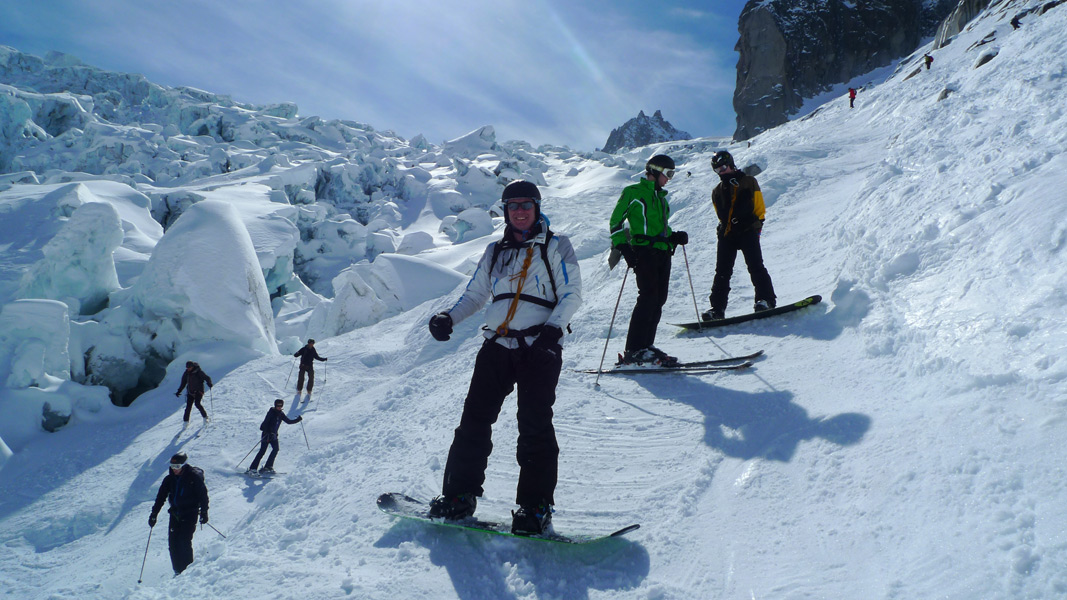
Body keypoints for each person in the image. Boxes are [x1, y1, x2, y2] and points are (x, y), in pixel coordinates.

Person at [425, 179, 582, 535]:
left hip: (538, 346)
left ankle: (535, 507)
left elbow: (572, 293)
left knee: (535, 424)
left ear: (537, 208)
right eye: (513, 206)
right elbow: (476, 294)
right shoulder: (495, 252)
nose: (520, 211)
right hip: (496, 344)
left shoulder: (557, 246)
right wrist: (449, 317)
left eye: (526, 204)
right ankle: (458, 496)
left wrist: (553, 332)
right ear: (506, 212)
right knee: (473, 421)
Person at [608, 154, 688, 366]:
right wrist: (624, 247)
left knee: (659, 299)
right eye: (668, 174)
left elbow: (661, 227)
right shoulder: (633, 192)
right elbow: (616, 222)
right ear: (654, 171)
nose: (669, 179)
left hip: (662, 252)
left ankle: (646, 345)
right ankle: (634, 350)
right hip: (644, 252)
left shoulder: (661, 198)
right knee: (648, 298)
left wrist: (673, 236)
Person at [703, 150, 776, 321]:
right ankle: (717, 309)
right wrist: (723, 230)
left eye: (723, 167)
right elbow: (720, 214)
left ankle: (766, 300)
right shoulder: (717, 191)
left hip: (748, 230)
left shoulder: (748, 181)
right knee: (722, 272)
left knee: (755, 266)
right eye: (718, 170)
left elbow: (759, 208)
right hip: (727, 235)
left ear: (731, 164)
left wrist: (756, 226)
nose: (722, 172)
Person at [148, 452, 209, 575]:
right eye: (172, 466)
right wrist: (154, 514)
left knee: (184, 541)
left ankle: (188, 572)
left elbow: (203, 495)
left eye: (177, 467)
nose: (174, 469)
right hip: (175, 514)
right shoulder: (169, 479)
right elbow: (161, 497)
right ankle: (177, 570)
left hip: (190, 513)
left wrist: (204, 512)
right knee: (173, 543)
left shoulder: (193, 477)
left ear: (184, 465)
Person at [246, 398, 302, 475]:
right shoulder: (271, 412)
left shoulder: (281, 413)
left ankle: (268, 466)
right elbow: (264, 424)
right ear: (275, 405)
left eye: (281, 405)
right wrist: (268, 432)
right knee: (262, 451)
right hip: (267, 435)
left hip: (274, 436)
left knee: (276, 449)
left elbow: (288, 421)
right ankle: (252, 468)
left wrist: (298, 420)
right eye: (278, 405)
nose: (279, 407)